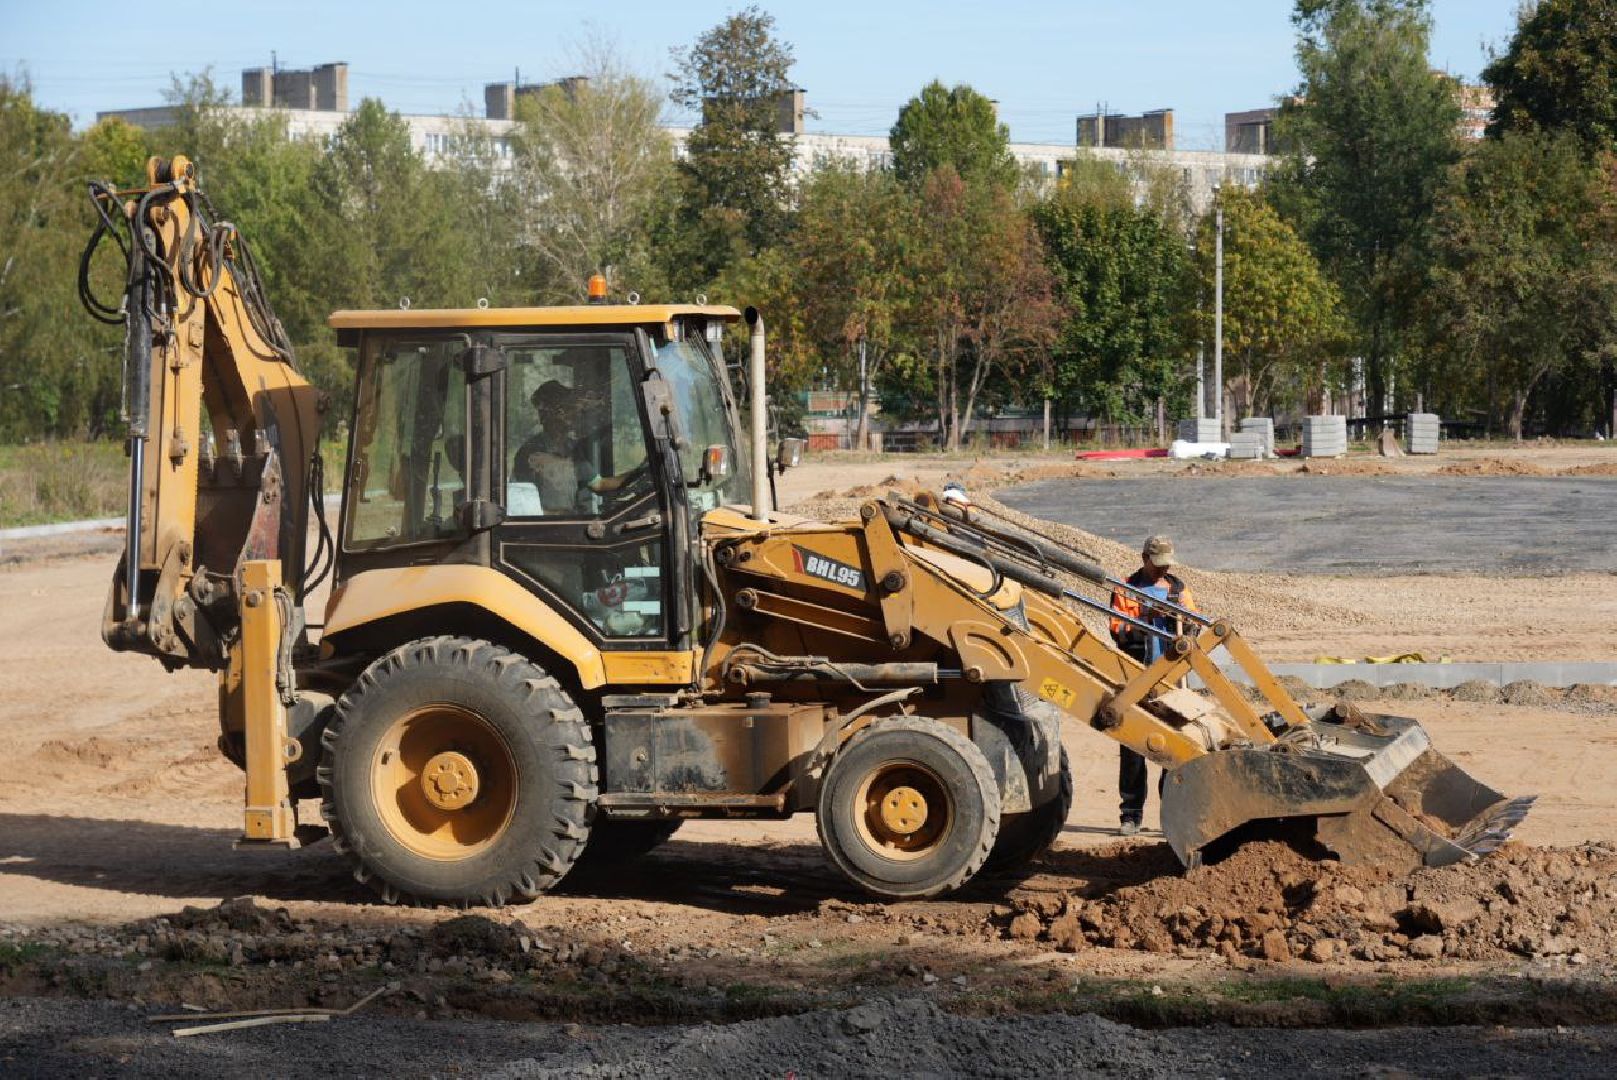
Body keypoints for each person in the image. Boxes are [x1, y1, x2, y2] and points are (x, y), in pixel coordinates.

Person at [1108, 534, 1198, 836]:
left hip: (1171, 681)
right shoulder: (1126, 590)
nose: (1161, 570)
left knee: (1172, 748)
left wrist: (1183, 625)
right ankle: (1130, 814)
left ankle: (1168, 813)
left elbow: (1194, 628)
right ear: (1144, 558)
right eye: (1157, 564)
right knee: (1133, 746)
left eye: (1166, 565)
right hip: (1136, 677)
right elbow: (1118, 631)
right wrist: (1148, 616)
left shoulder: (1179, 590)